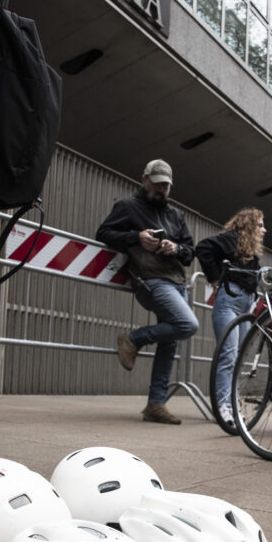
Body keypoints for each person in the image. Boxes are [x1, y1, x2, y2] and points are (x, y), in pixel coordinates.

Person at [97, 159, 198, 425]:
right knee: (187, 324)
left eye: (166, 185)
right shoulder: (128, 207)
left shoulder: (176, 215)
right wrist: (136, 237)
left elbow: (189, 252)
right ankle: (134, 339)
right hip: (150, 280)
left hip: (177, 281)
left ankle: (155, 404)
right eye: (157, 183)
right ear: (144, 179)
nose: (161, 189)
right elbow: (103, 233)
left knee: (170, 342)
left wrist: (174, 248)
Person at [195, 208, 266, 427]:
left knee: (238, 358)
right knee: (228, 355)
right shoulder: (231, 240)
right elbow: (203, 248)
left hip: (246, 307)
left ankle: (232, 403)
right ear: (249, 225)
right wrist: (215, 279)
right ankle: (223, 406)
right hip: (228, 302)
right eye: (260, 225)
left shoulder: (251, 252)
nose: (264, 230)